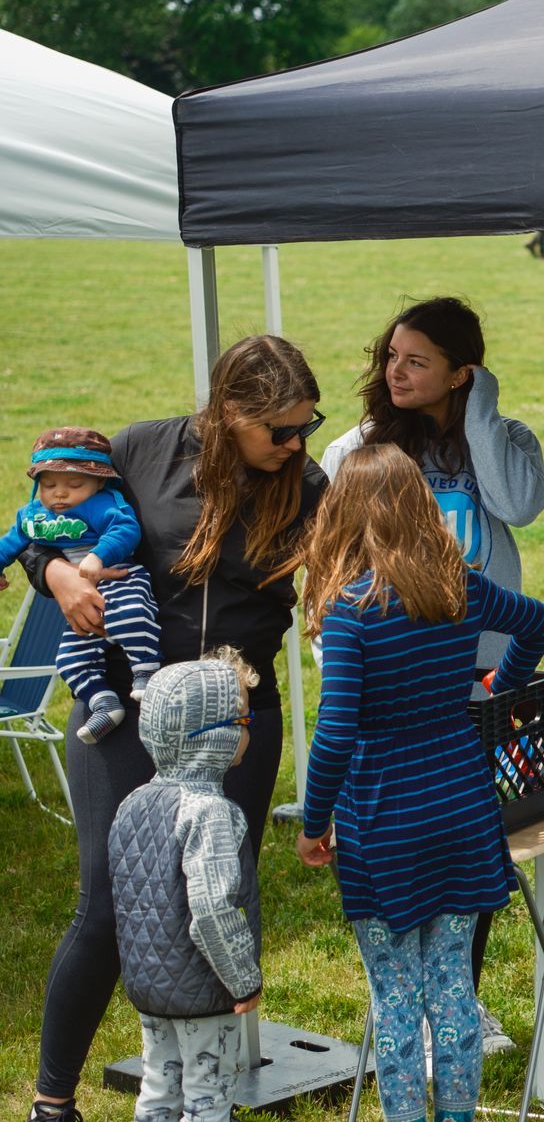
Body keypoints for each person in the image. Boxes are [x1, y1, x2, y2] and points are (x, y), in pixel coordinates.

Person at [19, 334, 327, 1122]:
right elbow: (42, 531)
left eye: (307, 426)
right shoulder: (138, 452)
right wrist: (55, 574)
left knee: (216, 895)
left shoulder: (308, 484)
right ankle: (52, 1100)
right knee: (108, 903)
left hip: (236, 716)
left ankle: (200, 1099)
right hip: (123, 708)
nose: (297, 444)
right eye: (280, 430)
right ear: (229, 412)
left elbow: (339, 583)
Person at [283, 443, 544, 1122]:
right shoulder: (459, 584)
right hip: (463, 808)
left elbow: (337, 730)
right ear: (421, 507)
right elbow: (538, 622)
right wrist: (498, 685)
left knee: (398, 1002)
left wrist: (315, 823)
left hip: (383, 822)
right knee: (453, 991)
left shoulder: (351, 611)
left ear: (340, 516)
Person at [320, 295, 544, 1054]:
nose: (396, 373)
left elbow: (520, 504)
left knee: (468, 840)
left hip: (475, 671)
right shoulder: (357, 450)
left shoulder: (505, 440)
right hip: (388, 680)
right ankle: (403, 1004)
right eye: (391, 357)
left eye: (418, 362)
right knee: (392, 842)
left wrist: (481, 414)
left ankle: (462, 999)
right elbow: (334, 562)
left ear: (463, 374)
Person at [107, 651, 263, 1122]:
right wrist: (243, 978)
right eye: (243, 717)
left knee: (159, 1085)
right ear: (213, 734)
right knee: (208, 1095)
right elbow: (212, 910)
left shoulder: (132, 804)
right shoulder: (212, 813)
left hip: (149, 984)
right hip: (205, 986)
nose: (249, 729)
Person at [0, 427, 162, 743]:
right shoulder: (33, 515)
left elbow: (125, 529)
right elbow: (10, 543)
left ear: (98, 482)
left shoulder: (100, 504)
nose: (60, 493)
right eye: (48, 485)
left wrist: (99, 555)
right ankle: (104, 703)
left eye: (74, 484)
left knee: (131, 615)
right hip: (82, 597)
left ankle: (146, 673)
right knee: (69, 660)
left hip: (119, 576)